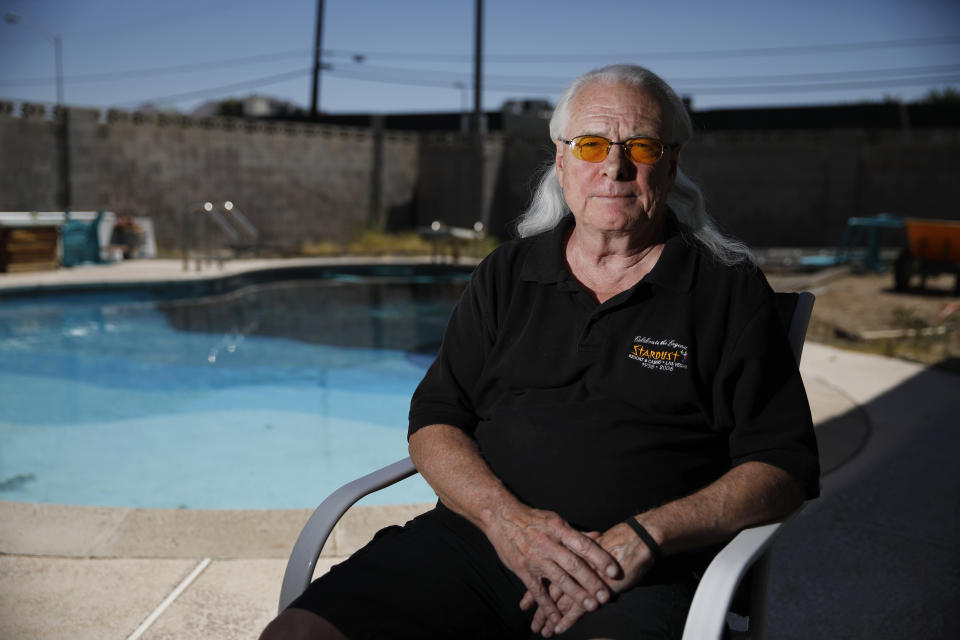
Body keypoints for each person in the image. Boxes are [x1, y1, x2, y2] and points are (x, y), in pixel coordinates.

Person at [260, 64, 820, 640]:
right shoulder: (507, 274)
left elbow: (783, 466)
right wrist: (507, 522)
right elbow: (435, 419)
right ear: (561, 159)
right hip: (476, 547)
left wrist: (647, 535)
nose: (614, 167)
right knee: (298, 634)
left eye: (642, 147)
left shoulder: (726, 292)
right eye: (592, 144)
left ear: (672, 162)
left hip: (633, 573)